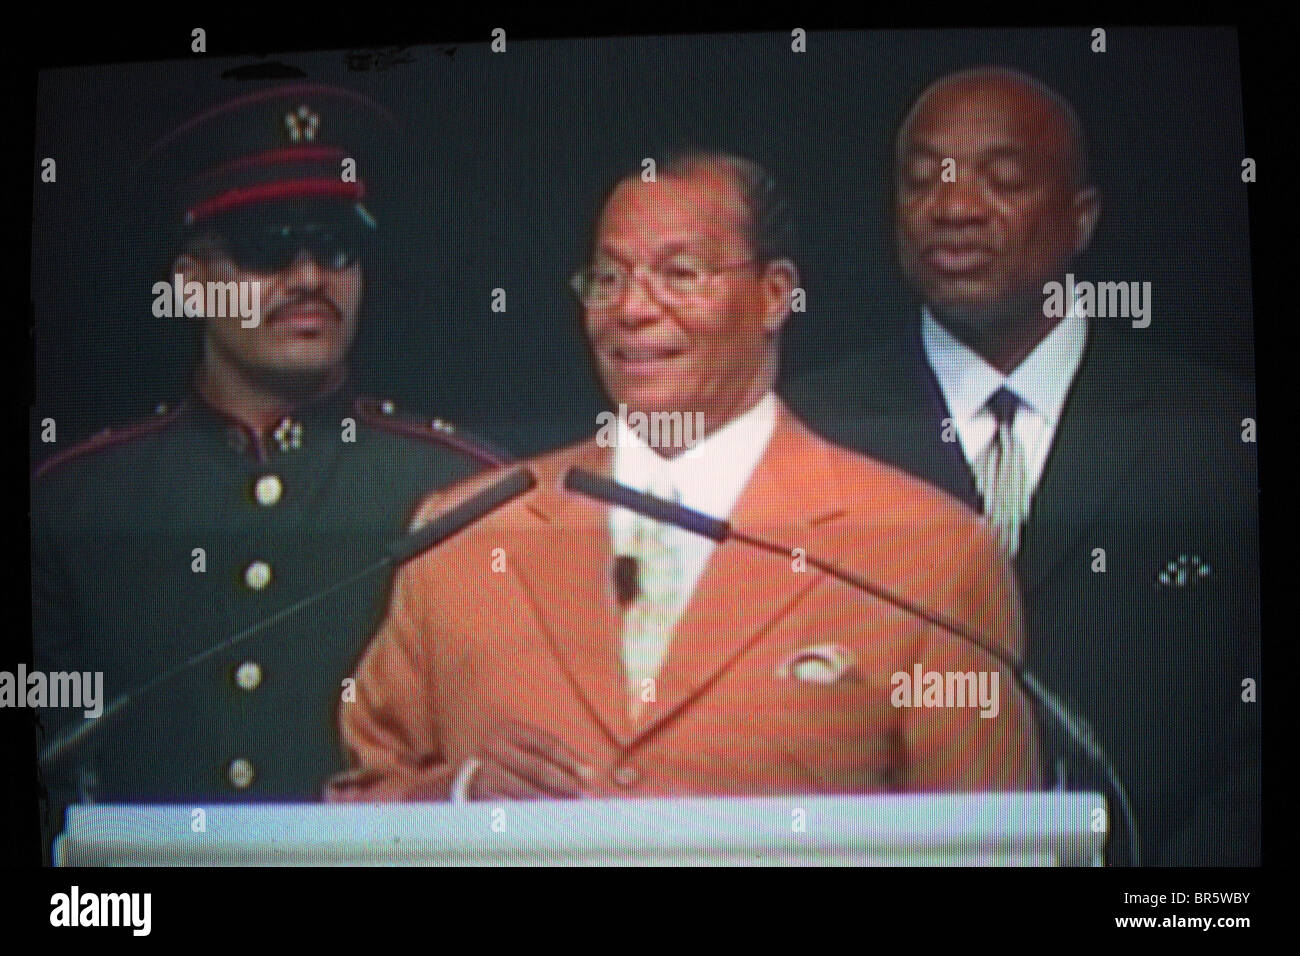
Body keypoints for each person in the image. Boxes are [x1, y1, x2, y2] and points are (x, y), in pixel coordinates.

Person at [327, 151, 1041, 804]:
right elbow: (356, 806)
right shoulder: (467, 534)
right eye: (607, 278)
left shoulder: (926, 553)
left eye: (680, 274)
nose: (632, 310)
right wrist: (457, 796)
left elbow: (992, 844)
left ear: (773, 296)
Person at [785, 68, 1260, 865]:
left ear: (1082, 218)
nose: (955, 207)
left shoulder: (1216, 435)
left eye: (1002, 180)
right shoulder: (811, 435)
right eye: (921, 180)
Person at [31, 84, 508, 852]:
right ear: (188, 283)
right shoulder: (74, 502)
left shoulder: (461, 489)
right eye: (266, 247)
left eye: (336, 246)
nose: (310, 276)